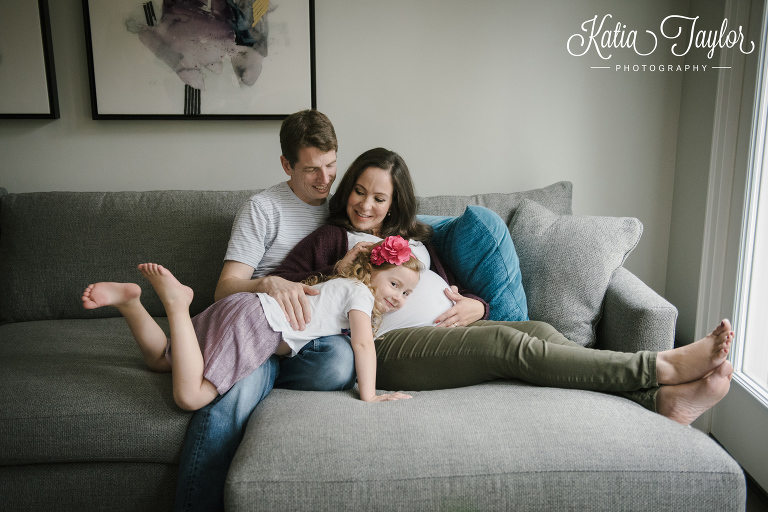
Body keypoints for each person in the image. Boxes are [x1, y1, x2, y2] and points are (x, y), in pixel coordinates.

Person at [270, 147, 735, 428]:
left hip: (448, 331)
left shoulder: (416, 239)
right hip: (386, 346)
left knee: (540, 331)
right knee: (508, 344)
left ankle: (660, 401)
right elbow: (289, 288)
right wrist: (339, 269)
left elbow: (453, 289)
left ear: (395, 202)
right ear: (346, 188)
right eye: (357, 191)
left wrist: (477, 304)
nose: (364, 205)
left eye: (378, 197)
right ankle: (659, 365)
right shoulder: (334, 237)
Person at [80, 236, 420, 410]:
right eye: (394, 284)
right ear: (371, 271)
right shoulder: (359, 294)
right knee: (190, 397)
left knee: (162, 359)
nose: (399, 297)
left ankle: (130, 303)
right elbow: (362, 344)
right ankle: (177, 305)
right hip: (258, 324)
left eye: (407, 293)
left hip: (244, 306)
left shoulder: (341, 285)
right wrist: (370, 396)